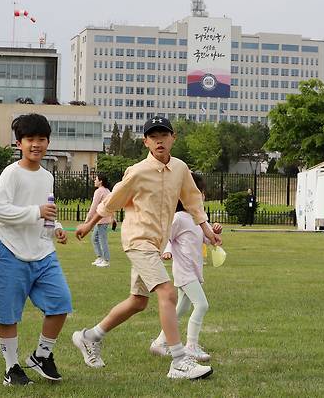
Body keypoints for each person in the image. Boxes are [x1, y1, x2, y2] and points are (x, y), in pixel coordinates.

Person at [73, 116, 221, 380]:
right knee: (167, 291)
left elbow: (193, 202)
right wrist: (87, 225)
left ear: (173, 137)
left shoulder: (180, 169)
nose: (159, 140)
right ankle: (178, 361)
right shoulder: (137, 171)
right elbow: (111, 202)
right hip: (137, 240)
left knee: (138, 302)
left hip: (155, 244)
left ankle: (90, 336)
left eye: (164, 135)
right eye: (153, 136)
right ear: (146, 142)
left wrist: (208, 232)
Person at [0, 113, 71, 386]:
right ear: (19, 143)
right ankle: (11, 368)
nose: (36, 144)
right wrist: (36, 212)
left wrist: (55, 226)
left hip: (43, 252)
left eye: (41, 139)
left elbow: (46, 209)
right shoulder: (11, 173)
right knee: (9, 314)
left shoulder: (47, 176)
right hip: (11, 251)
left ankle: (41, 355)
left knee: (60, 304)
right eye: (30, 139)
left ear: (48, 141)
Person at [150, 173, 222, 362]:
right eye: (198, 193)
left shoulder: (198, 219)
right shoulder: (179, 218)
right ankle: (191, 345)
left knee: (181, 308)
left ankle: (159, 342)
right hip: (184, 271)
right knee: (202, 305)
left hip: (194, 269)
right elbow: (166, 236)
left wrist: (214, 234)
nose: (202, 196)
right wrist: (166, 251)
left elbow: (205, 238)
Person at [87, 173, 112, 267]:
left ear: (100, 181)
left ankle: (106, 260)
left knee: (102, 240)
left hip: (102, 219)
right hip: (103, 219)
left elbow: (94, 206)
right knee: (95, 238)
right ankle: (100, 258)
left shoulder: (99, 191)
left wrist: (88, 219)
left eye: (96, 179)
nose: (94, 181)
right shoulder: (107, 191)